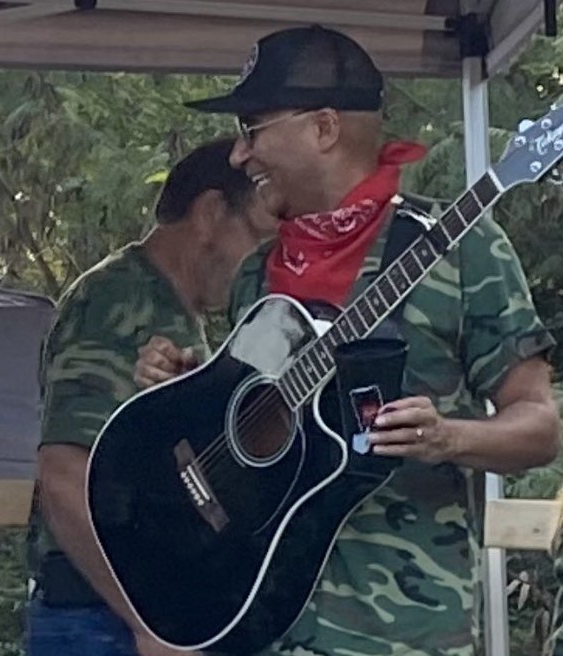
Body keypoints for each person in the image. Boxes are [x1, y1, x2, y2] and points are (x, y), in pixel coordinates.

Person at [136, 25, 560, 655]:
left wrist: (450, 436)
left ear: (324, 128)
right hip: (262, 624)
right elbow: (264, 424)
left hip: (403, 634)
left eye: (252, 129)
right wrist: (193, 392)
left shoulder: (462, 248)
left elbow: (542, 426)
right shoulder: (258, 271)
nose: (237, 155)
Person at [28, 137, 276, 656]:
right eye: (260, 237)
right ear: (210, 213)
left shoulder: (176, 314)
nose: (266, 263)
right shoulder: (118, 303)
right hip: (104, 621)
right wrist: (146, 624)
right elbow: (65, 474)